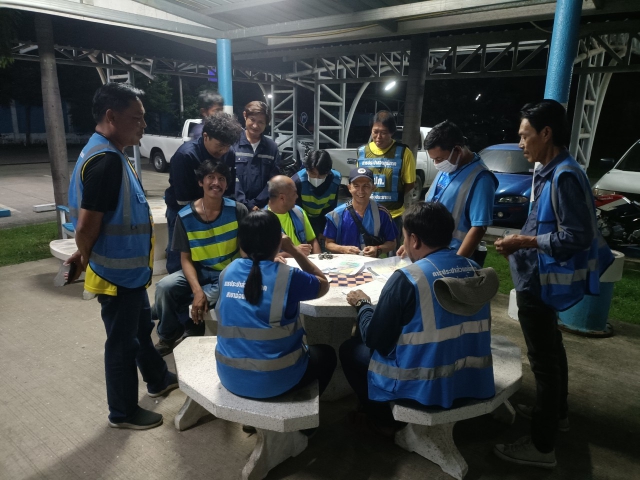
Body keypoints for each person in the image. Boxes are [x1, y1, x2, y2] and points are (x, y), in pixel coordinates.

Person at [493, 100, 613, 468]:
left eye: (525, 135)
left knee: (543, 363)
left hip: (542, 284)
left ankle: (541, 447)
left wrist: (523, 242)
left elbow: (576, 236)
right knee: (552, 353)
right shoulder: (551, 171)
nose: (520, 144)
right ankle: (556, 415)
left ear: (546, 133)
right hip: (537, 279)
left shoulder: (564, 176)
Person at [65, 83, 178, 430]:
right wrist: (84, 256)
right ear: (111, 116)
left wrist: (83, 252)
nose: (143, 125)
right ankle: (123, 412)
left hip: (127, 272)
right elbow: (87, 224)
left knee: (140, 328)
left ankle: (158, 378)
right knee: (122, 344)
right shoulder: (107, 162)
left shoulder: (106, 151)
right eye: (136, 118)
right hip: (116, 275)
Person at [340, 202, 496, 432]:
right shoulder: (473, 267)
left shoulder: (408, 278)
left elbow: (375, 339)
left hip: (422, 387)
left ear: (414, 240)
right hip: (472, 380)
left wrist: (363, 305)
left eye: (404, 237)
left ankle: (383, 421)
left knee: (350, 349)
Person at [215, 210, 336, 406]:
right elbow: (323, 284)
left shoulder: (227, 272)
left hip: (229, 375)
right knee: (327, 354)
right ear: (278, 242)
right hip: (276, 381)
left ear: (241, 243)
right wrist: (293, 250)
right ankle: (304, 417)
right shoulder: (287, 276)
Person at [154, 160, 248, 356]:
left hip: (228, 274)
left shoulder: (238, 210)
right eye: (211, 177)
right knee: (164, 287)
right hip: (199, 271)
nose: (216, 183)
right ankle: (168, 334)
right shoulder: (185, 216)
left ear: (227, 184)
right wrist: (197, 290)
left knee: (203, 298)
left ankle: (183, 320)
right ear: (200, 182)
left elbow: (245, 250)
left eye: (221, 178)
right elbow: (185, 258)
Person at [164, 113, 242, 274]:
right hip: (181, 210)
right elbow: (183, 199)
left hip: (215, 210)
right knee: (180, 256)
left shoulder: (228, 154)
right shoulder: (185, 155)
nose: (224, 150)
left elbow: (229, 188)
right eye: (220, 145)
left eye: (228, 146)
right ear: (205, 136)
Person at [422, 120, 498, 266]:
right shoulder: (448, 168)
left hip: (454, 256)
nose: (436, 164)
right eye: (433, 160)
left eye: (439, 159)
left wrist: (456, 263)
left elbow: (479, 228)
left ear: (457, 150)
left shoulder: (481, 179)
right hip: (432, 255)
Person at [357, 110, 416, 246]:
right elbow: (359, 181)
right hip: (367, 214)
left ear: (392, 132)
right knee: (367, 252)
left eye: (383, 132)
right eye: (375, 132)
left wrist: (394, 196)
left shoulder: (404, 152)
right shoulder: (362, 152)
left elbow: (410, 183)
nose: (378, 137)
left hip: (393, 216)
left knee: (392, 254)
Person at [324, 167, 397, 258]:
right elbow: (328, 243)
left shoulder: (382, 214)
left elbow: (392, 243)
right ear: (349, 188)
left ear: (373, 188)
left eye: (366, 186)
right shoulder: (336, 215)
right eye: (356, 186)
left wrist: (377, 249)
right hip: (345, 264)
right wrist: (343, 249)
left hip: (372, 263)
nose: (361, 191)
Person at [234, 101, 281, 211]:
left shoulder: (272, 148)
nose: (255, 125)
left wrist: (257, 203)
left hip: (262, 208)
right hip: (236, 207)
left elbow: (273, 180)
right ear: (245, 115)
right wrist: (244, 203)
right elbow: (230, 177)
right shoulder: (233, 144)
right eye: (252, 120)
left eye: (261, 122)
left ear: (266, 123)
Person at [291, 150, 341, 241]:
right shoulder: (297, 181)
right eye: (313, 173)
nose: (316, 178)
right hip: (302, 216)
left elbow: (331, 206)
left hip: (322, 216)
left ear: (328, 172)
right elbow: (295, 210)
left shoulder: (335, 180)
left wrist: (324, 230)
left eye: (321, 175)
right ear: (307, 169)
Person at [266, 175, 321, 256]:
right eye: (294, 193)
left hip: (303, 263)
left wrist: (319, 259)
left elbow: (312, 241)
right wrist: (294, 252)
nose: (297, 196)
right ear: (282, 198)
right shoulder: (262, 221)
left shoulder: (298, 212)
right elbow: (260, 257)